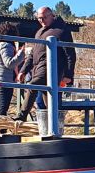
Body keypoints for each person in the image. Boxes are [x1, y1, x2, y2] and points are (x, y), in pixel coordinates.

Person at [17, 7, 76, 135]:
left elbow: (70, 54)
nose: (42, 20)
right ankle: (53, 130)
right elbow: (32, 54)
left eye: (44, 17)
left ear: (52, 16)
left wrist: (69, 75)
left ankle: (21, 116)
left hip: (53, 67)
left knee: (33, 85)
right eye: (39, 18)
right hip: (37, 68)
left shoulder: (61, 30)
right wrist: (23, 70)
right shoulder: (39, 32)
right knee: (49, 102)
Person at [0, 21, 25, 117]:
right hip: (4, 78)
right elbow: (9, 63)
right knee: (3, 107)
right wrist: (21, 54)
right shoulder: (6, 45)